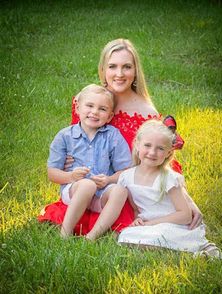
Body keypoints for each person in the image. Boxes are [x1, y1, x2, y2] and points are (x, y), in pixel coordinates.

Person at [39, 38, 202, 234]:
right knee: (83, 191)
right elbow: (75, 141)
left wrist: (186, 199)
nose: (119, 74)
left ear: (135, 72)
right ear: (103, 70)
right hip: (83, 186)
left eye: (126, 67)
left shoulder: (145, 111)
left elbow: (160, 157)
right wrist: (67, 164)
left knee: (121, 197)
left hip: (122, 187)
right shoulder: (90, 100)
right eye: (112, 66)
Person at [117, 120, 222, 258]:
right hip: (150, 227)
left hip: (175, 225)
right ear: (137, 144)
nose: (152, 152)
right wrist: (138, 221)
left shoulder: (169, 178)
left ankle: (203, 250)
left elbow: (185, 215)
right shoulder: (126, 177)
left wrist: (150, 224)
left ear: (168, 152)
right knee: (125, 236)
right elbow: (137, 209)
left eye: (160, 148)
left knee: (161, 234)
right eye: (147, 145)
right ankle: (179, 251)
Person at [47, 84, 132, 239]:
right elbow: (52, 173)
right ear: (78, 108)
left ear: (110, 116)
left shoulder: (113, 136)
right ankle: (64, 235)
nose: (94, 112)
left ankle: (92, 237)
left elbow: (126, 171)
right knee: (87, 184)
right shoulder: (65, 136)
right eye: (90, 106)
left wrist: (109, 179)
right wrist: (71, 177)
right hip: (74, 190)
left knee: (120, 191)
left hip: (100, 194)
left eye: (102, 109)